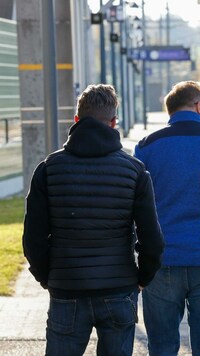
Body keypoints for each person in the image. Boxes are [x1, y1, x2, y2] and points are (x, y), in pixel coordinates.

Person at [22, 84, 164, 355]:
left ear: (77, 120)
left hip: (67, 287)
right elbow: (152, 239)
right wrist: (142, 278)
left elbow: (33, 238)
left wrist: (47, 277)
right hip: (119, 287)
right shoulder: (134, 171)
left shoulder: (49, 169)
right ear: (114, 122)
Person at [133, 81, 200, 355]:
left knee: (161, 346)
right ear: (199, 106)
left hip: (161, 262)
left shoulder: (148, 146)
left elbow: (137, 207)